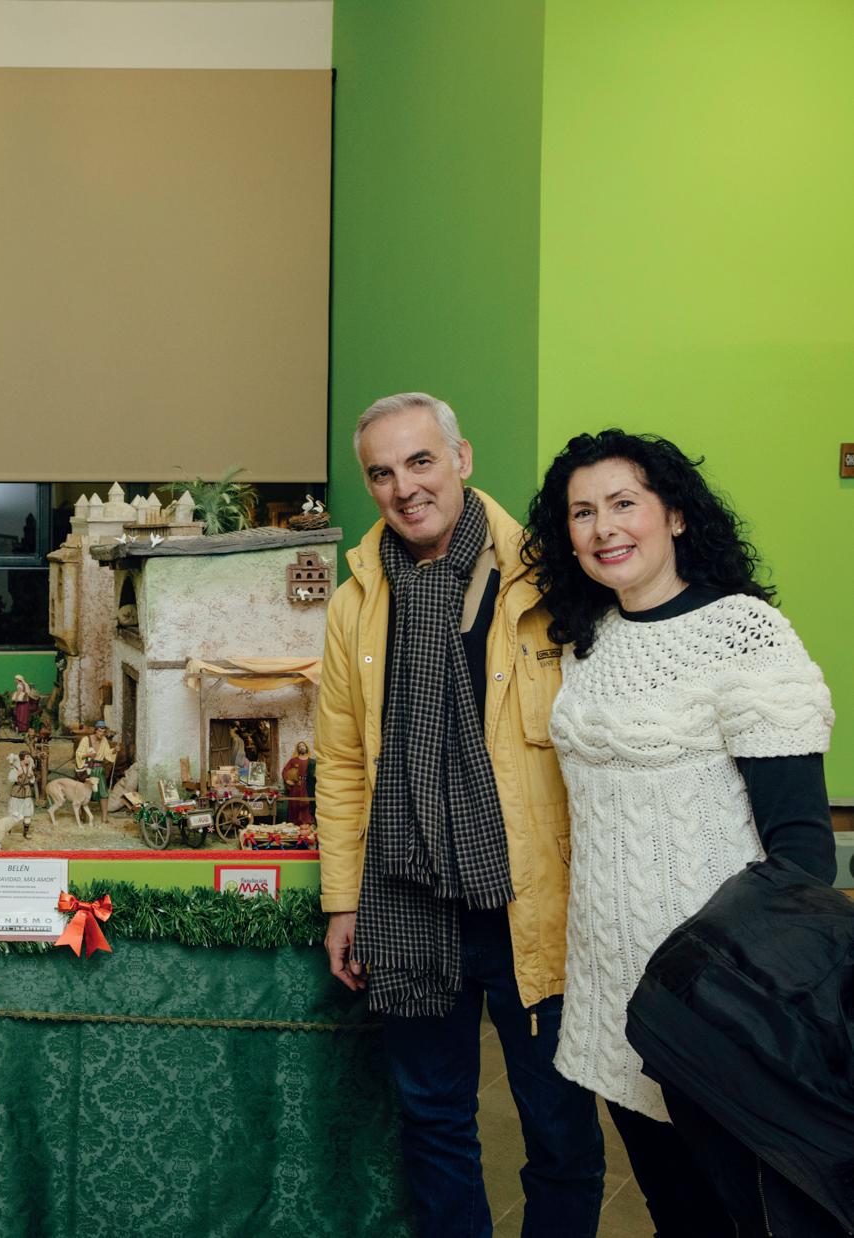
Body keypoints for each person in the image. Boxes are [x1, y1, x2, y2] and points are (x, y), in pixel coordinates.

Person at [522, 429, 837, 1235]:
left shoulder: (744, 634)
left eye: (624, 503)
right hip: (614, 995)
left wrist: (743, 997)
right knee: (677, 1214)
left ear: (676, 515)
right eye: (582, 513)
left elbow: (802, 856)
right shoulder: (587, 639)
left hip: (719, 1007)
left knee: (747, 1217)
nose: (603, 528)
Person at [316, 393, 604, 1237]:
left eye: (421, 461)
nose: (404, 487)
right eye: (381, 473)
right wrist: (343, 900)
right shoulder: (355, 602)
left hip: (532, 899)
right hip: (407, 899)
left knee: (560, 1131)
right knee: (434, 1121)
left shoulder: (551, 576)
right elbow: (341, 761)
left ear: (462, 458)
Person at [281, 741, 315, 826]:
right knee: (295, 804)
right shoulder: (293, 760)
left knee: (306, 804)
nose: (301, 747)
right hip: (296, 786)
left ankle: (307, 824)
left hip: (307, 786)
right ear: (297, 749)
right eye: (299, 746)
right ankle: (294, 824)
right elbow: (285, 771)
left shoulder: (311, 761)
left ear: (306, 748)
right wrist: (287, 780)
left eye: (303, 746)